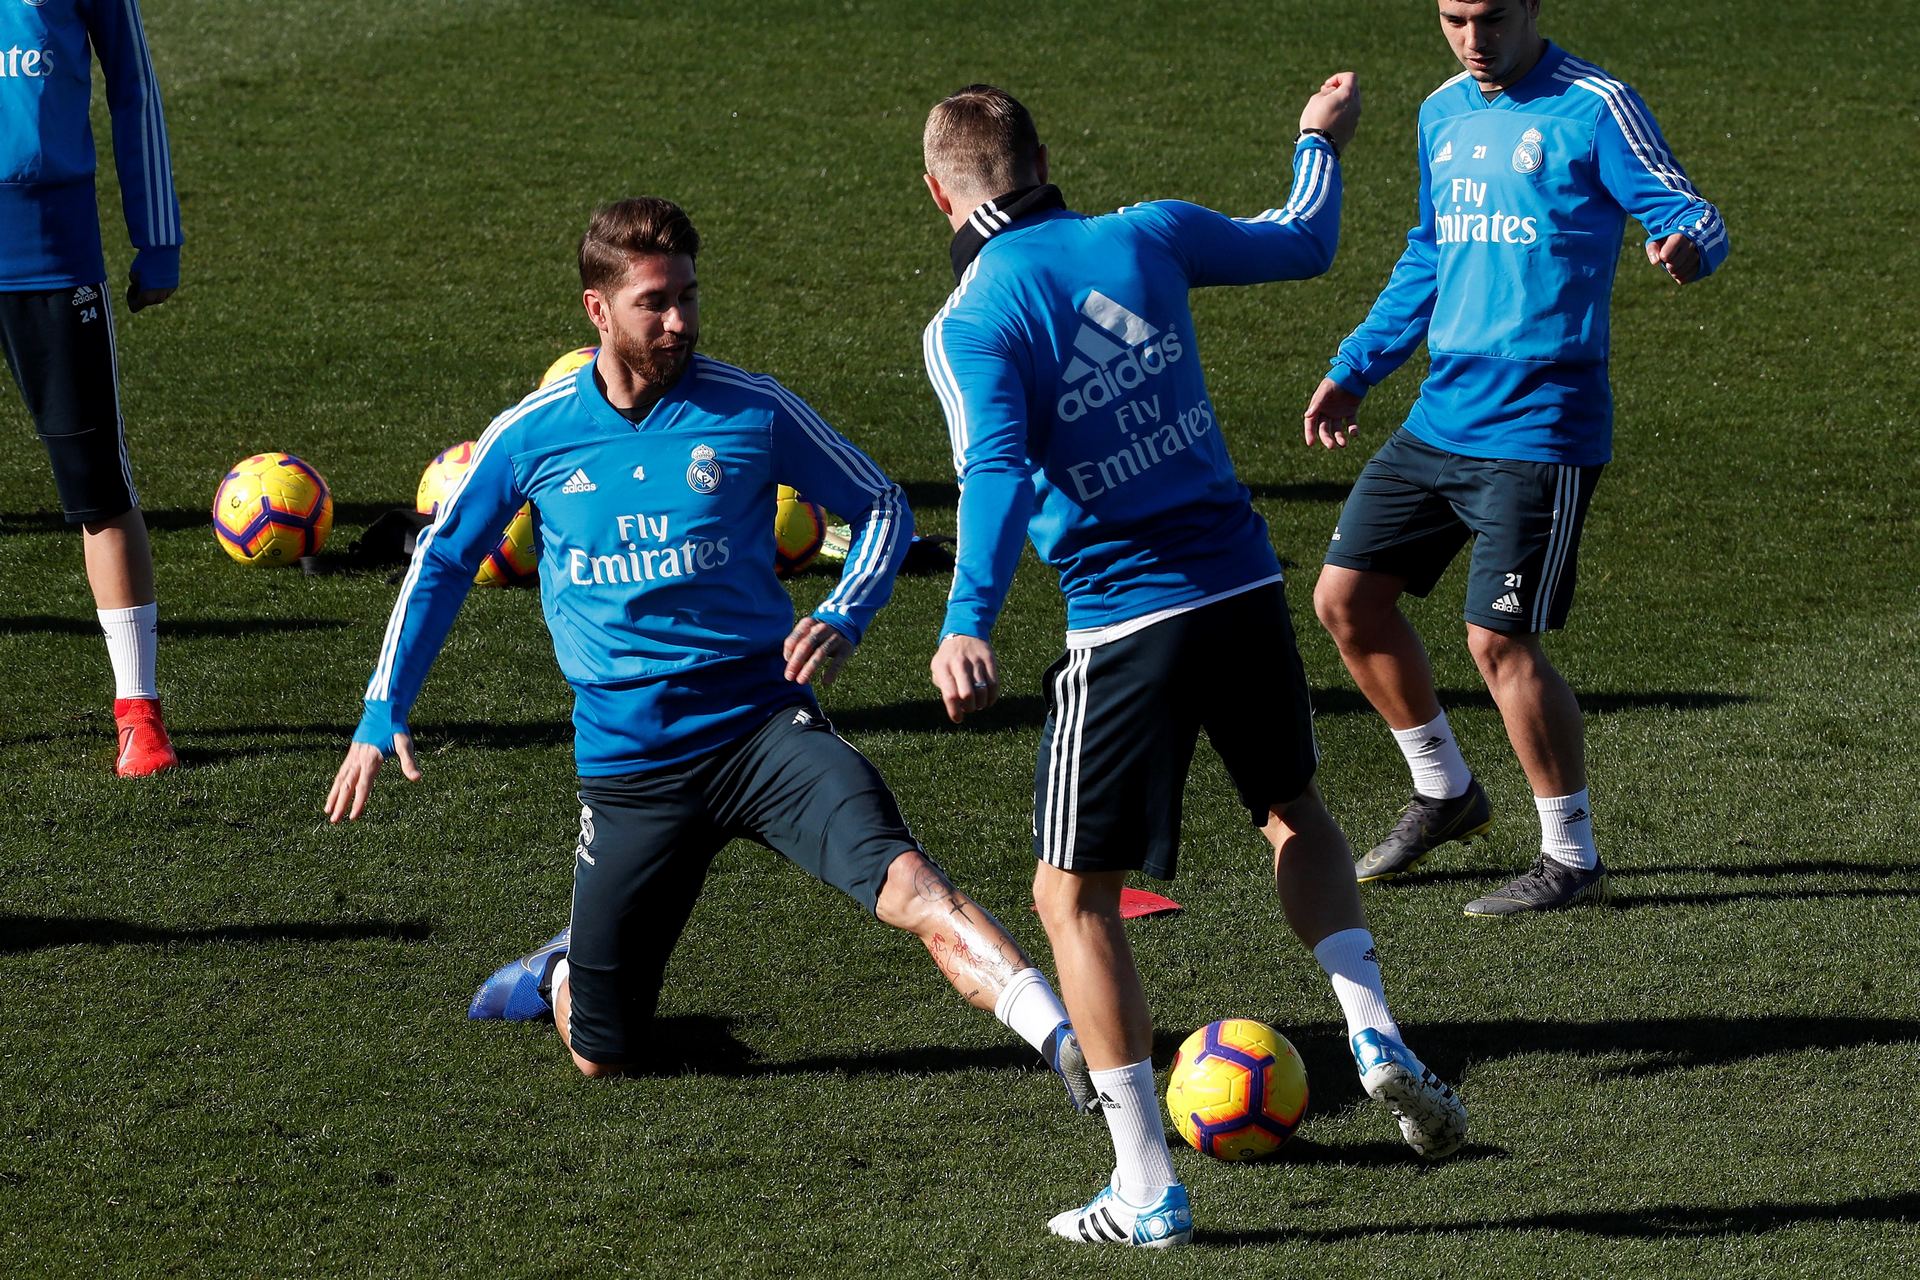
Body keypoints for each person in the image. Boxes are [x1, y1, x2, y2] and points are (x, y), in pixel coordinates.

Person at [324, 198, 1094, 1114]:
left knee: (909, 882)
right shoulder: (534, 432)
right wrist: (382, 712)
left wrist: (845, 612)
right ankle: (565, 972)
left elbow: (883, 504)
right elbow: (444, 558)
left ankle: (1066, 1040)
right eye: (654, 303)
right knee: (604, 1058)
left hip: (762, 730)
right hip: (630, 768)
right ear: (597, 310)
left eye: (687, 296)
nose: (679, 321)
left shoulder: (751, 409)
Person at [919, 82, 1466, 1249]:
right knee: (1292, 808)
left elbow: (996, 472)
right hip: (1244, 585)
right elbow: (1306, 238)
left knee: (1070, 895)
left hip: (1127, 624)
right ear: (1042, 159)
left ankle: (1144, 1186)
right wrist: (1317, 138)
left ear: (938, 193)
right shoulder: (1147, 232)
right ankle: (1373, 1029)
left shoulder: (970, 318)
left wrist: (968, 618)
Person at [1302, 0, 1729, 916]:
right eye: (1453, 18)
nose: (1473, 39)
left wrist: (1690, 245)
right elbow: (1430, 254)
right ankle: (1445, 792)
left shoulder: (1595, 106)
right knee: (1346, 601)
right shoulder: (1441, 111)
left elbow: (1690, 209)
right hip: (1440, 416)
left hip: (1541, 426)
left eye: (1492, 18)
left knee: (1497, 641)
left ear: (1533, 7)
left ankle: (1570, 857)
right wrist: (1356, 368)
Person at [2, 0, 184, 776]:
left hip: (51, 251)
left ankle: (138, 712)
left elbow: (133, 85)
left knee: (95, 485)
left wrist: (157, 238)